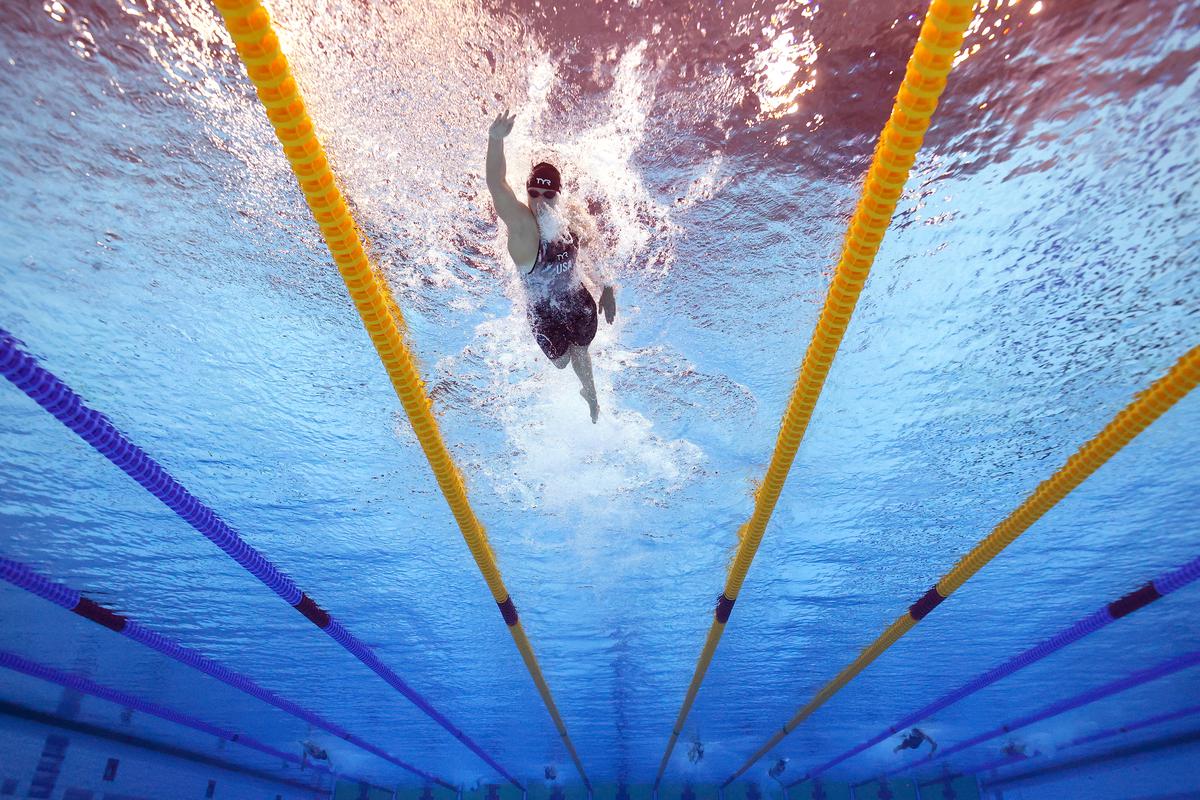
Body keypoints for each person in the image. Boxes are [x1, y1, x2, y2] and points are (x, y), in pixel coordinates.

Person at [486, 108, 617, 423]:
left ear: (559, 194)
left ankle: (590, 392)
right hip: (542, 311)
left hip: (576, 298)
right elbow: (497, 184)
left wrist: (608, 287)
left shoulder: (569, 213)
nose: (541, 199)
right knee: (561, 362)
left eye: (548, 193)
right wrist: (495, 141)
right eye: (533, 192)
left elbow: (594, 246)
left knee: (582, 350)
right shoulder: (523, 229)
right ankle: (582, 385)